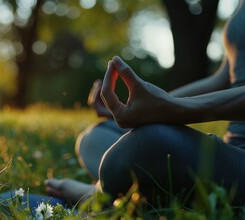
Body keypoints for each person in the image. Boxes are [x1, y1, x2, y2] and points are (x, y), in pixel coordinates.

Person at [45, 0, 245, 207]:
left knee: (149, 142)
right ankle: (135, 192)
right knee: (96, 137)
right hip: (230, 153)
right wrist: (147, 107)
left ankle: (100, 195)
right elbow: (224, 78)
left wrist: (171, 110)